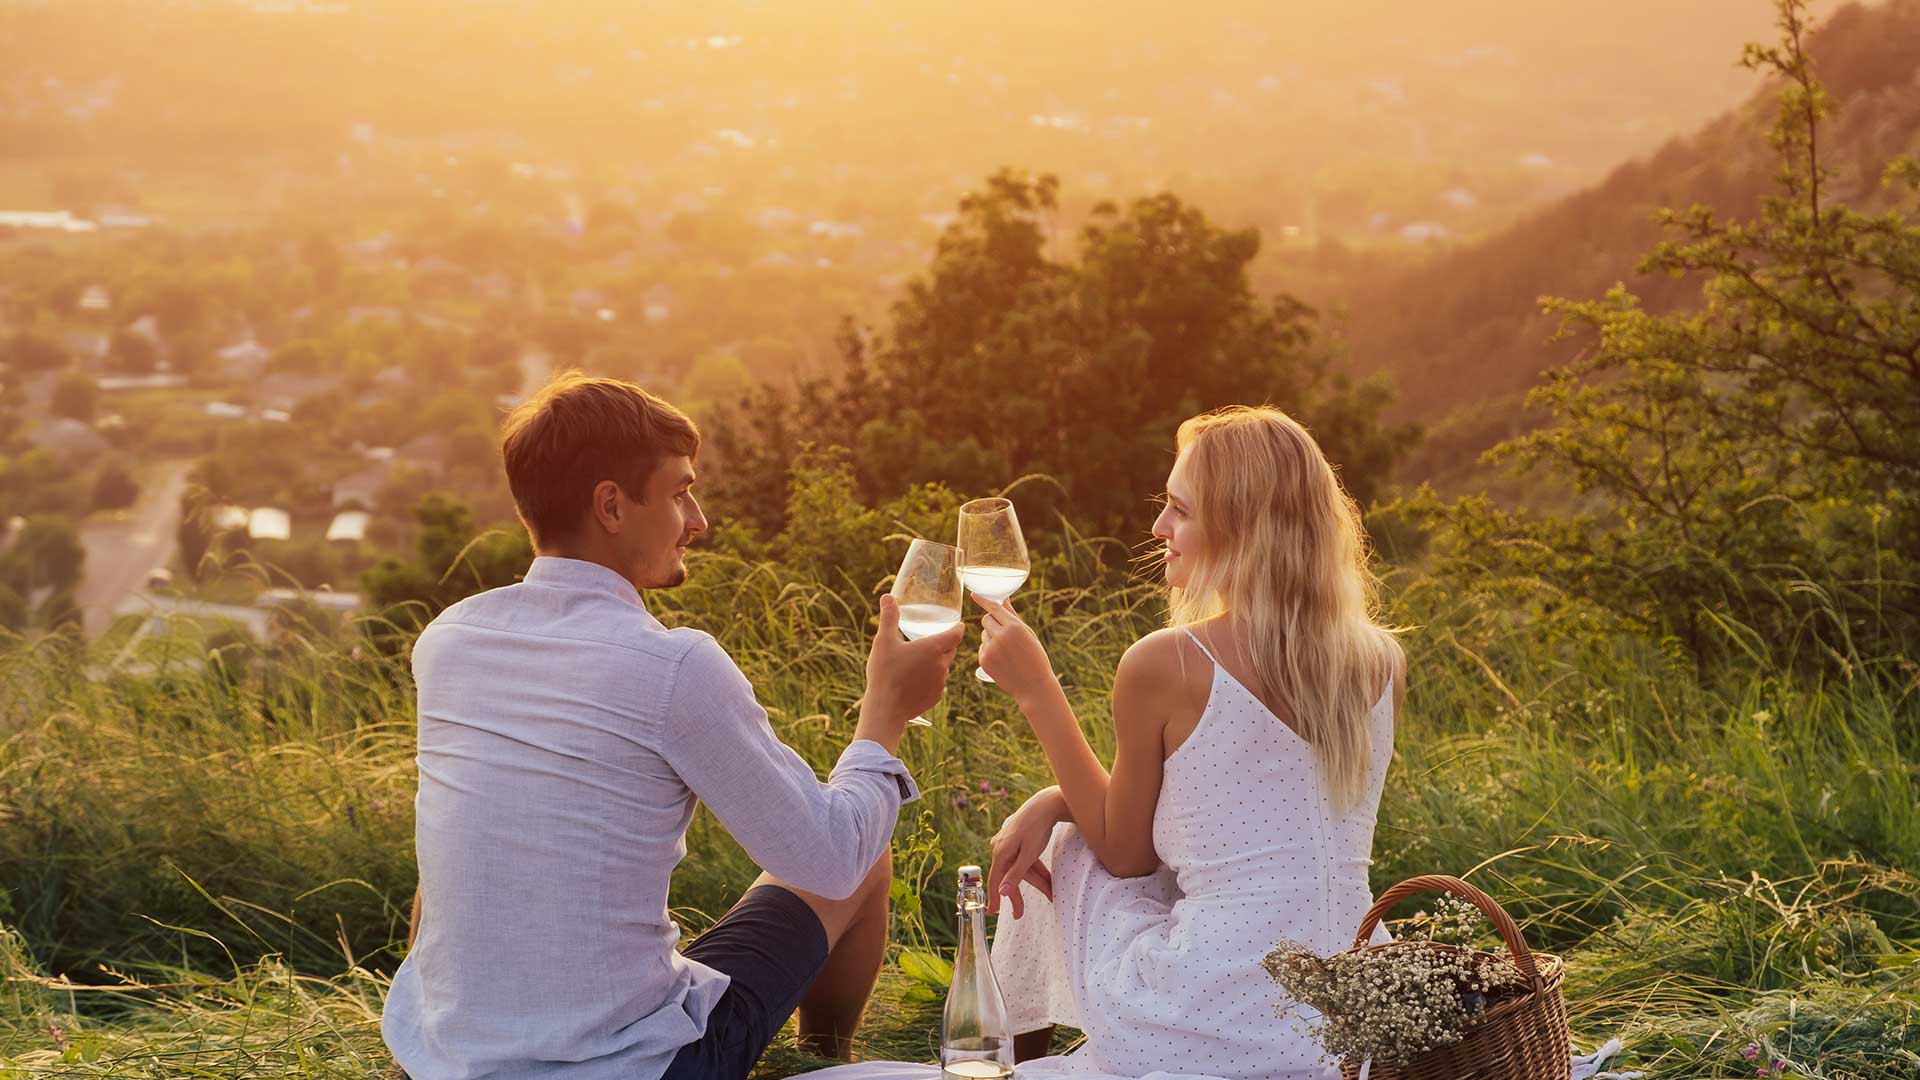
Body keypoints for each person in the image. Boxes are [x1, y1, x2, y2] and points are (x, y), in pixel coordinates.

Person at [382, 374, 966, 1080]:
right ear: (611, 506)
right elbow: (830, 858)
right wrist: (885, 712)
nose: (698, 519)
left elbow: (452, 857)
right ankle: (821, 1061)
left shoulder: (449, 642)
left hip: (444, 1058)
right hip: (632, 1069)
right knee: (862, 849)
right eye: (680, 492)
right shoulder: (670, 665)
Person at [974, 405, 1406, 1080]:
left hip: (1203, 1024)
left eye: (1180, 510)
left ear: (1242, 529)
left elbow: (1125, 855)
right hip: (1359, 1021)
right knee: (1078, 824)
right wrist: (1057, 797)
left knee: (1071, 845)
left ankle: (1005, 1058)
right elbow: (1248, 831)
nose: (1159, 528)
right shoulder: (1383, 662)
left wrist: (1037, 690)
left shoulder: (1166, 663)